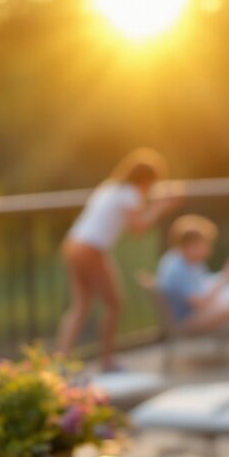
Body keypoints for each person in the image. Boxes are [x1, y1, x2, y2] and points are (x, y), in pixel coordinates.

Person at [57, 148, 181, 371]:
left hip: (73, 244)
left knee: (81, 306)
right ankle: (106, 360)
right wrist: (159, 208)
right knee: (114, 303)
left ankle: (61, 360)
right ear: (147, 180)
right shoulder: (130, 194)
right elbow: (138, 228)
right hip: (91, 249)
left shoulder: (111, 187)